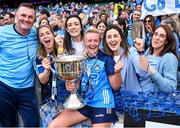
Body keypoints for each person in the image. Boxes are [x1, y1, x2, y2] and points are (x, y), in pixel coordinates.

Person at [48, 28, 123, 128]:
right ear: (85, 42)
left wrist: (117, 73)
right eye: (89, 41)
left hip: (103, 105)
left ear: (99, 42)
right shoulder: (81, 60)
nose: (92, 44)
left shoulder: (106, 59)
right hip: (84, 104)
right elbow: (78, 85)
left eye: (95, 41)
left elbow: (115, 87)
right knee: (54, 126)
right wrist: (71, 84)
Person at [0, 3, 39, 127]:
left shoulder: (36, 34)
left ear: (34, 20)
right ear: (16, 15)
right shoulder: (2, 33)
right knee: (8, 124)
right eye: (23, 15)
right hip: (4, 87)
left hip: (27, 88)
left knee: (33, 124)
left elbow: (52, 41)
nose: (26, 19)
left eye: (30, 17)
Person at [34, 25, 68, 127]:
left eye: (48, 33)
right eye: (41, 35)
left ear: (53, 35)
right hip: (50, 100)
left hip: (67, 96)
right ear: (40, 40)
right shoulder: (39, 57)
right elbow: (43, 80)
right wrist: (47, 70)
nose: (45, 36)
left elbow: (66, 73)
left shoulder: (64, 50)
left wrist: (61, 51)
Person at [134, 25, 178, 93]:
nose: (157, 38)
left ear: (166, 41)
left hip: (155, 101)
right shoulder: (148, 51)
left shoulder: (169, 57)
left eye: (162, 36)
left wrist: (154, 73)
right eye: (156, 34)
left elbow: (171, 87)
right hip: (140, 98)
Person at [104, 25, 142, 92]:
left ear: (121, 38)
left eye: (115, 36)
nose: (112, 39)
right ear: (105, 40)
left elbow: (142, 72)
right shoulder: (104, 56)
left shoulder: (131, 52)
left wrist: (141, 51)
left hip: (132, 98)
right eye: (109, 37)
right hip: (112, 99)